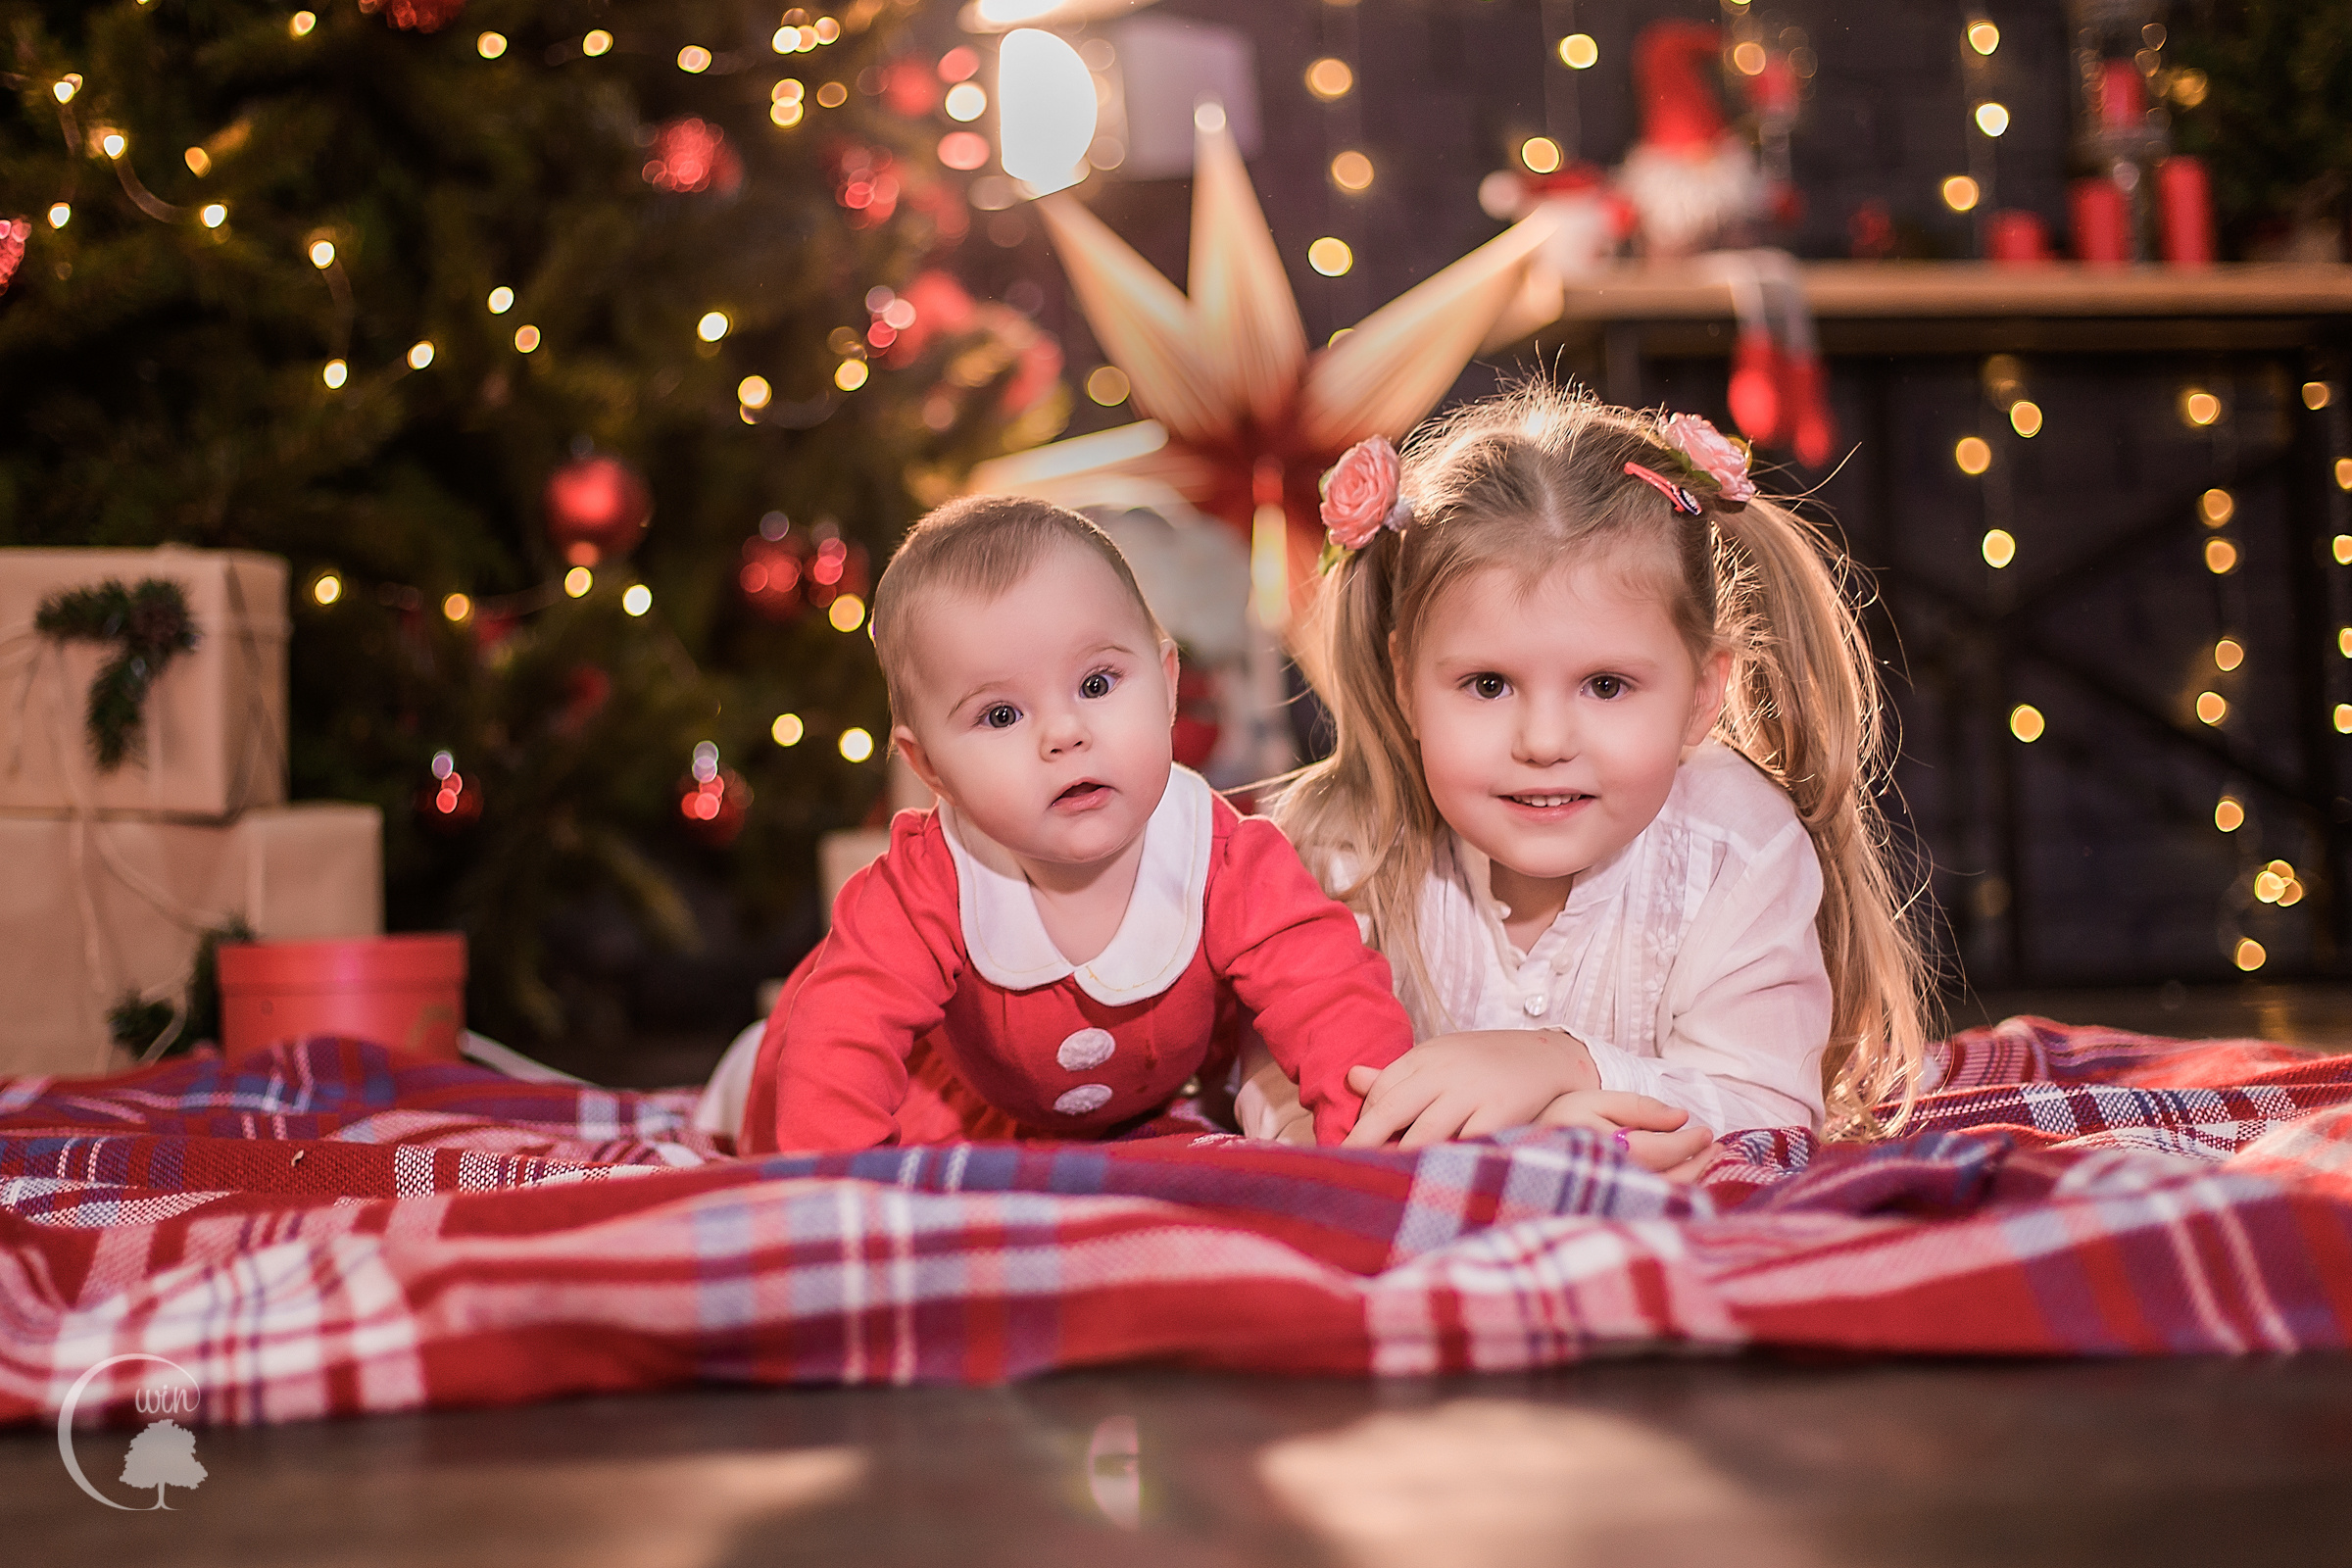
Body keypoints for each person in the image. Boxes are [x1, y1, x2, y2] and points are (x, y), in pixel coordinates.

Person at [1240, 383, 1936, 1165]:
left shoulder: (1735, 847)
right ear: (1405, 680)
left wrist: (1562, 1067)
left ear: (1703, 692)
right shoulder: (1346, 847)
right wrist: (1323, 1132)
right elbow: (1269, 1070)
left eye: (1606, 686)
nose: (1543, 742)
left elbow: (1769, 1105)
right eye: (1488, 685)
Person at [731, 495, 1418, 1154]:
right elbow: (843, 1038)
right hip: (964, 1090)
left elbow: (1328, 992)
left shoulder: (1222, 856)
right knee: (794, 1069)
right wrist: (832, 1187)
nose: (1065, 734)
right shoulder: (930, 883)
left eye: (1096, 684)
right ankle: (734, 1074)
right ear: (930, 766)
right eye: (1000, 715)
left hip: (1140, 1091)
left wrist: (1374, 1131)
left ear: (1168, 683)